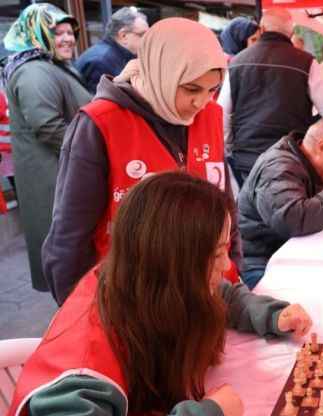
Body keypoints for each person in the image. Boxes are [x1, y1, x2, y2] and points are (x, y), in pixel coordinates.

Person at [0, 171, 313, 416]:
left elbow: (219, 293)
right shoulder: (88, 362)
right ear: (174, 261)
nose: (227, 266)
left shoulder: (145, 277)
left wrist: (270, 315)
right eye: (216, 254)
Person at [42, 17, 238, 306]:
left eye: (212, 90)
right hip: (131, 304)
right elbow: (69, 237)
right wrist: (82, 314)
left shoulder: (209, 115)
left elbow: (226, 206)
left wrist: (235, 272)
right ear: (162, 72)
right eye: (191, 89)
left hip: (205, 296)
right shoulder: (100, 124)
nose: (201, 102)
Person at [1, 3, 92, 293]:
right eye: (57, 32)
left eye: (70, 32)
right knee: (67, 255)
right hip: (55, 179)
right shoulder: (34, 72)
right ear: (36, 33)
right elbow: (48, 126)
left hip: (65, 174)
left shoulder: (49, 65)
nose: (67, 38)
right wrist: (91, 154)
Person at [219, 8, 323, 182]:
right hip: (289, 160)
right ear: (291, 32)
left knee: (249, 208)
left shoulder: (237, 63)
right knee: (286, 209)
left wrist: (229, 150)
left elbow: (222, 116)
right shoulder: (307, 63)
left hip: (247, 161)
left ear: (262, 28)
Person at [237, 120, 323, 289]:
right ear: (322, 147)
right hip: (259, 262)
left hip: (282, 253)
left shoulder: (308, 163)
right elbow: (291, 220)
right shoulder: (279, 167)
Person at [75, 7, 149, 93]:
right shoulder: (101, 62)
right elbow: (99, 103)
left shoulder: (114, 56)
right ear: (123, 36)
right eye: (142, 35)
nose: (147, 40)